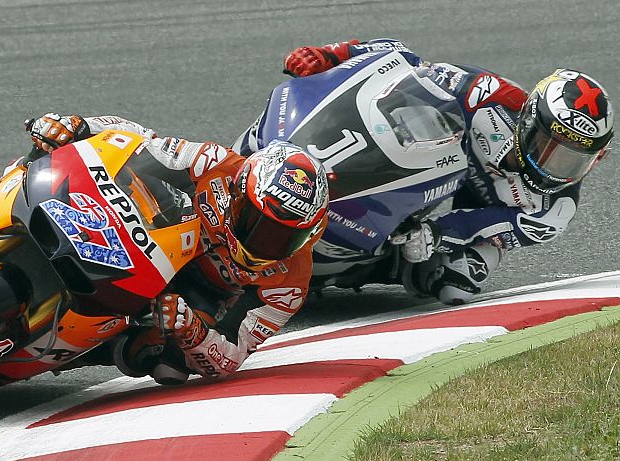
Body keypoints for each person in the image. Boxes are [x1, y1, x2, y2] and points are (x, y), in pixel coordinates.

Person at [0, 113, 329, 382]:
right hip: (162, 229)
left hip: (191, 291)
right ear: (241, 193)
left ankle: (77, 350)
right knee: (52, 149)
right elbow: (135, 139)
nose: (266, 241)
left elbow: (232, 356)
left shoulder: (289, 284)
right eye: (260, 223)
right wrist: (79, 126)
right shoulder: (214, 163)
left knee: (168, 366)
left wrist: (192, 331)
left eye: (283, 237)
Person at [240, 38, 614, 305]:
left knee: (455, 284)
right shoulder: (489, 95)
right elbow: (402, 60)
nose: (552, 167)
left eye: (573, 159)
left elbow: (476, 226)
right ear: (529, 122)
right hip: (435, 161)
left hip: (479, 215)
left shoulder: (553, 211)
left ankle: (380, 263)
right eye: (548, 147)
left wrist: (434, 234)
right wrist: (332, 55)